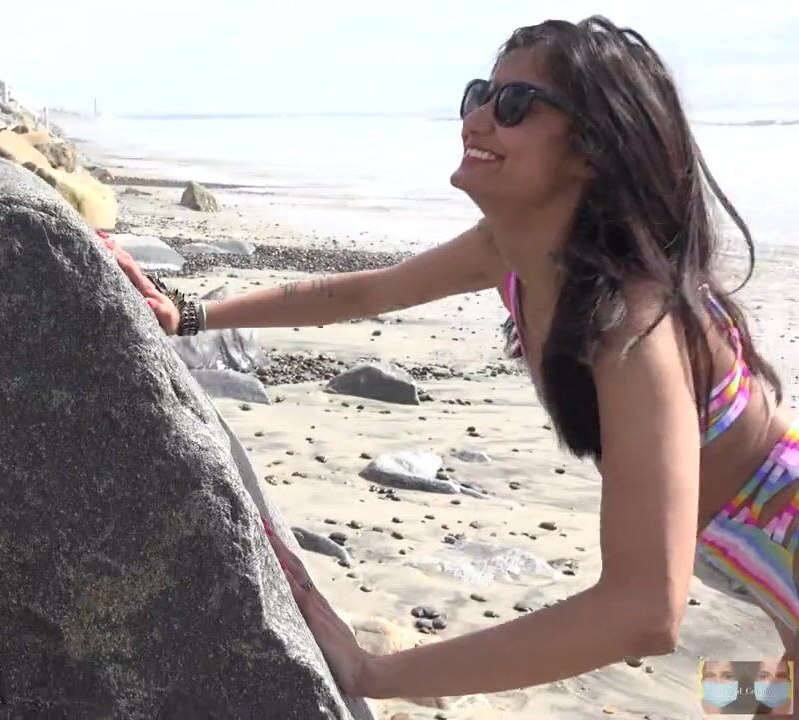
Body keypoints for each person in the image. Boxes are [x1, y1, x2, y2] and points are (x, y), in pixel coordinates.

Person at [104, 15, 798, 700]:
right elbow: (366, 291)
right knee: (766, 696)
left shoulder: (632, 326)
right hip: (747, 562)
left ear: (591, 150)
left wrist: (376, 673)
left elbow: (645, 612)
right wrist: (188, 316)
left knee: (760, 697)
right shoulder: (509, 252)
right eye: (479, 95)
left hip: (782, 537)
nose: (476, 119)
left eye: (515, 104)